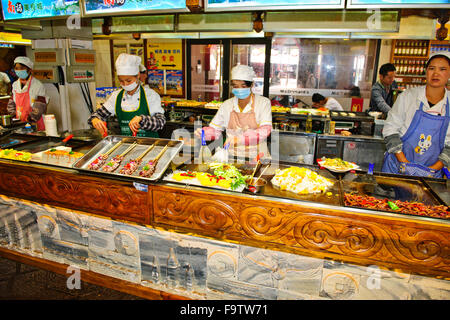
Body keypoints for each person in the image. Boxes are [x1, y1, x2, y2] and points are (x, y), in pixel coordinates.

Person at [382, 52, 450, 178]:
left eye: (442, 69)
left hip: (430, 175)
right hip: (397, 168)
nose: (436, 73)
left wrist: (430, 171)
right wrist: (405, 164)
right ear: (426, 72)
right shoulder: (408, 96)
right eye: (431, 68)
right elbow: (390, 130)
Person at [194, 64, 272, 159]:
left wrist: (240, 139)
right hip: (232, 156)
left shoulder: (263, 103)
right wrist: (204, 133)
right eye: (235, 86)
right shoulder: (227, 105)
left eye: (243, 86)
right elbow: (216, 130)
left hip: (257, 156)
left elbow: (265, 130)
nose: (239, 89)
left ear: (251, 84)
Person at [88, 53, 165, 137]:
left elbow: (160, 122)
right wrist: (95, 120)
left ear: (138, 76)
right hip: (127, 144)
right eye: (121, 81)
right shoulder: (116, 96)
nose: (125, 84)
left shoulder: (150, 95)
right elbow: (97, 114)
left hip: (149, 146)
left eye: (128, 81)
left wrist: (142, 120)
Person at [7, 56, 48, 131]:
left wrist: (31, 119)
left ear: (30, 70)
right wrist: (13, 117)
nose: (19, 70)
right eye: (16, 68)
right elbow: (11, 103)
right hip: (19, 123)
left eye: (22, 68)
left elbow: (40, 106)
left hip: (35, 123)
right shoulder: (15, 85)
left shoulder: (37, 85)